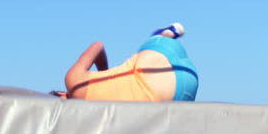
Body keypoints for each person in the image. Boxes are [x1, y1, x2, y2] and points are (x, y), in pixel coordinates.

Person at [63, 23, 198, 101]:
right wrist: (105, 72)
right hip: (161, 56)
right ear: (61, 94)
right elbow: (98, 46)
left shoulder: (94, 120)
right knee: (153, 41)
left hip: (179, 94)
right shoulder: (74, 82)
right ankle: (164, 34)